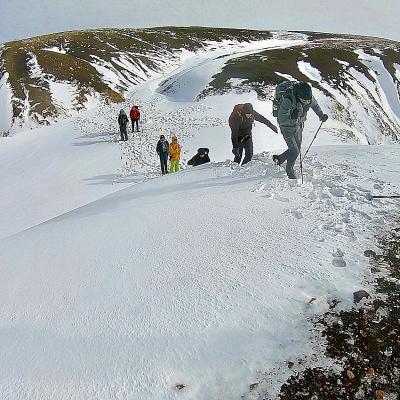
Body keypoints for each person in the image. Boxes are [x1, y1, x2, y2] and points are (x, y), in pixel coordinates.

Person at [273, 82, 328, 179]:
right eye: (304, 100)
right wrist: (292, 117)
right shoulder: (288, 100)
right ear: (298, 96)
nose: (307, 102)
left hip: (299, 126)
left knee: (296, 149)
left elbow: (315, 105)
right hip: (287, 128)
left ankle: (279, 159)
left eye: (308, 100)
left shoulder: (308, 98)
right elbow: (281, 119)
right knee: (294, 151)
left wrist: (321, 115)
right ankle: (290, 172)